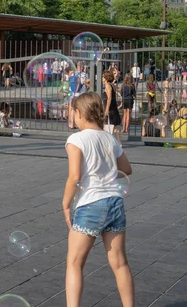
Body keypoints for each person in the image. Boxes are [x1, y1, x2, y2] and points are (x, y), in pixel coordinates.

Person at [63, 92, 134, 307]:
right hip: (114, 202)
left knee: (74, 263)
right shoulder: (109, 137)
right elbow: (127, 169)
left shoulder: (76, 139)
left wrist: (66, 203)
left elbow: (74, 177)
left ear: (79, 113)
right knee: (120, 263)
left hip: (90, 205)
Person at [102, 71, 121, 143]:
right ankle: (118, 142)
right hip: (113, 107)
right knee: (114, 126)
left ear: (106, 78)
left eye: (103, 77)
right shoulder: (112, 85)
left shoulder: (108, 85)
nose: (102, 78)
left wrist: (106, 109)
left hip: (110, 108)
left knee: (108, 124)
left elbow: (109, 98)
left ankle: (108, 141)